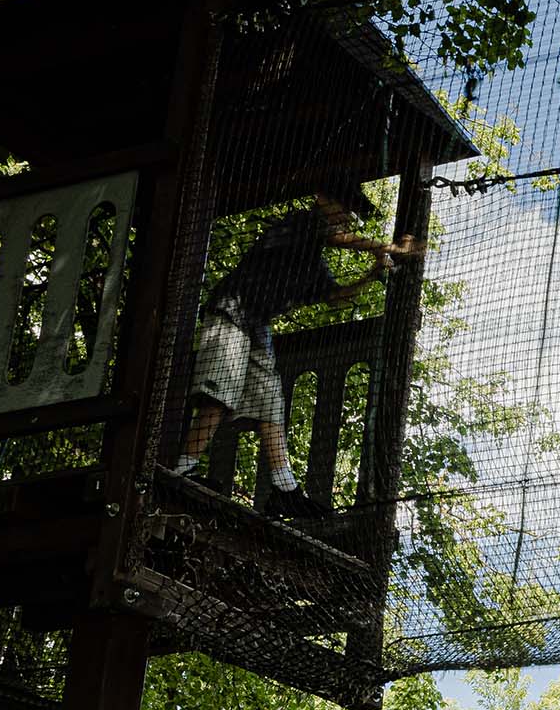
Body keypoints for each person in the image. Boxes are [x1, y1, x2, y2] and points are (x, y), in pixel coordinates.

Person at [171, 188, 418, 517]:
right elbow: (337, 237)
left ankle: (284, 488)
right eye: (343, 205)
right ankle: (181, 470)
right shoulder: (300, 223)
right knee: (218, 395)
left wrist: (373, 273)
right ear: (322, 198)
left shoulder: (313, 266)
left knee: (271, 404)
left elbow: (337, 297)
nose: (346, 215)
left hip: (257, 325)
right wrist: (385, 247)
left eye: (351, 212)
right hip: (231, 309)